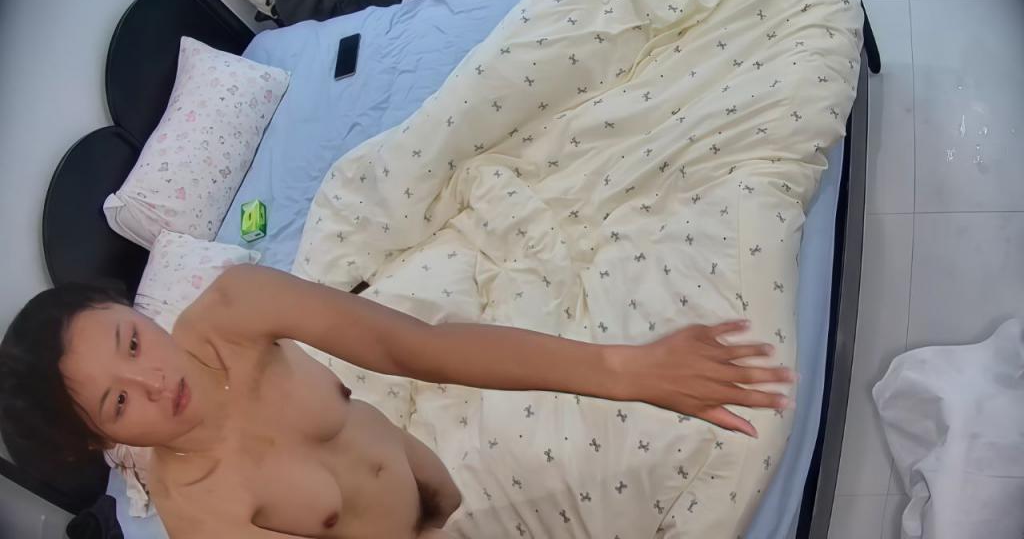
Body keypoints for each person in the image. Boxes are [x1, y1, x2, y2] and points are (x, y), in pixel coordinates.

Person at [0, 265, 792, 538]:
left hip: (441, 491)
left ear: (133, 310)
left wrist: (624, 369)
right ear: (99, 441)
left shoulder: (236, 308)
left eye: (131, 341)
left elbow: (419, 347)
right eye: (118, 402)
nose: (153, 381)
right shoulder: (201, 510)